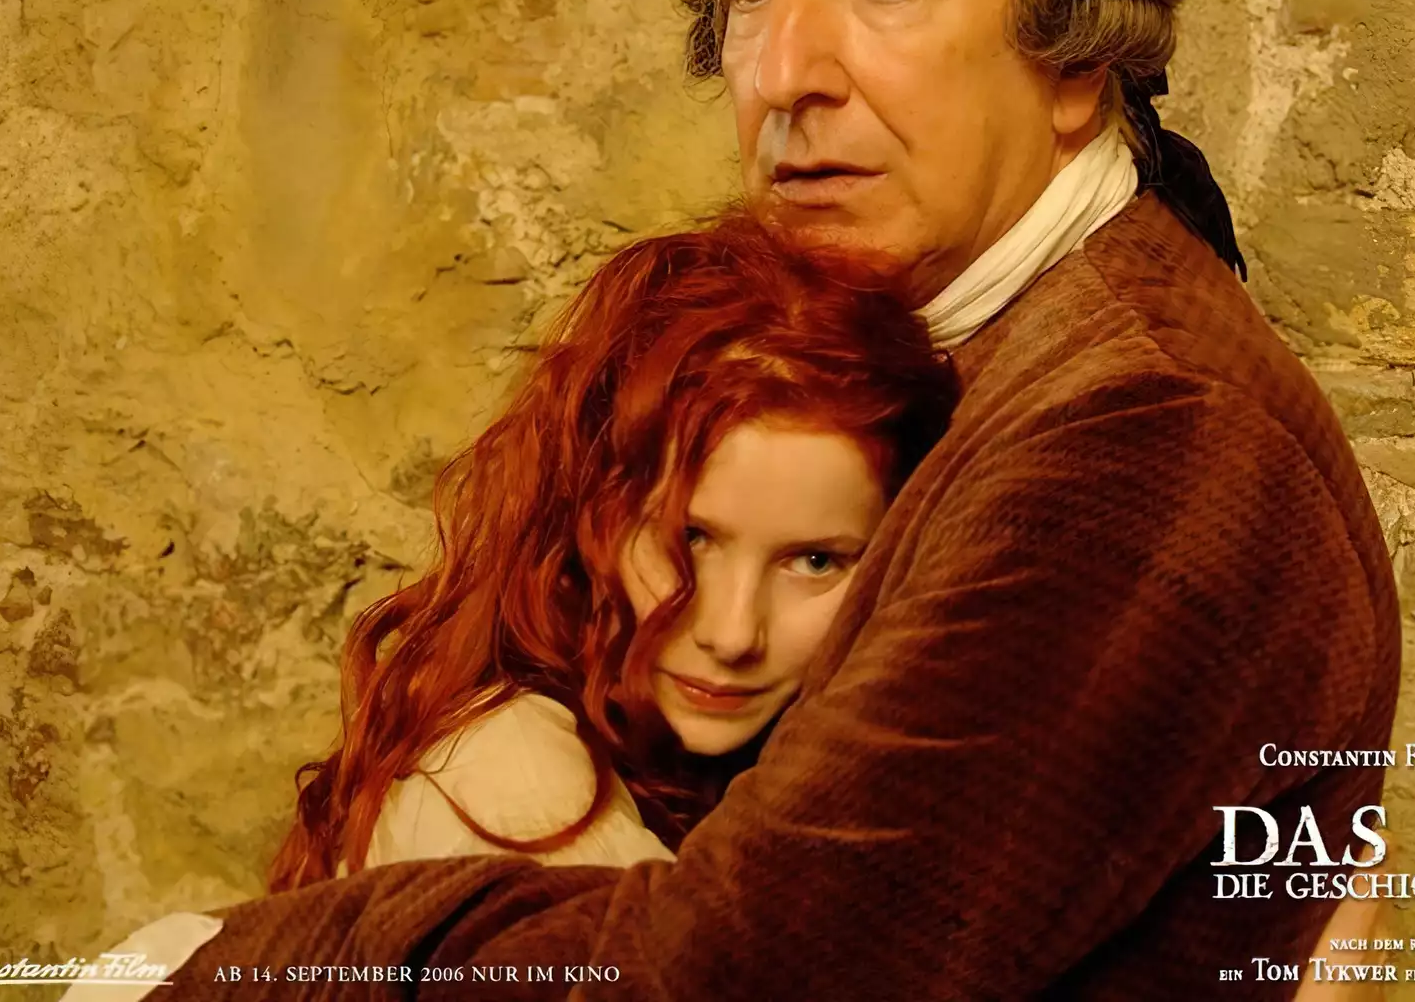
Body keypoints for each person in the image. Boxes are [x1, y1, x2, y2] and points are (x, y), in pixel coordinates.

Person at [152, 0, 1401, 999]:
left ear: (1077, 58)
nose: (786, 73)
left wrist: (208, 964)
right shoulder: (980, 341)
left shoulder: (1144, 431)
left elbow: (756, 980)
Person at [267, 215, 960, 886]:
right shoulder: (521, 793)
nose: (732, 635)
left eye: (815, 562)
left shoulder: (709, 766)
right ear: (589, 508)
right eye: (687, 539)